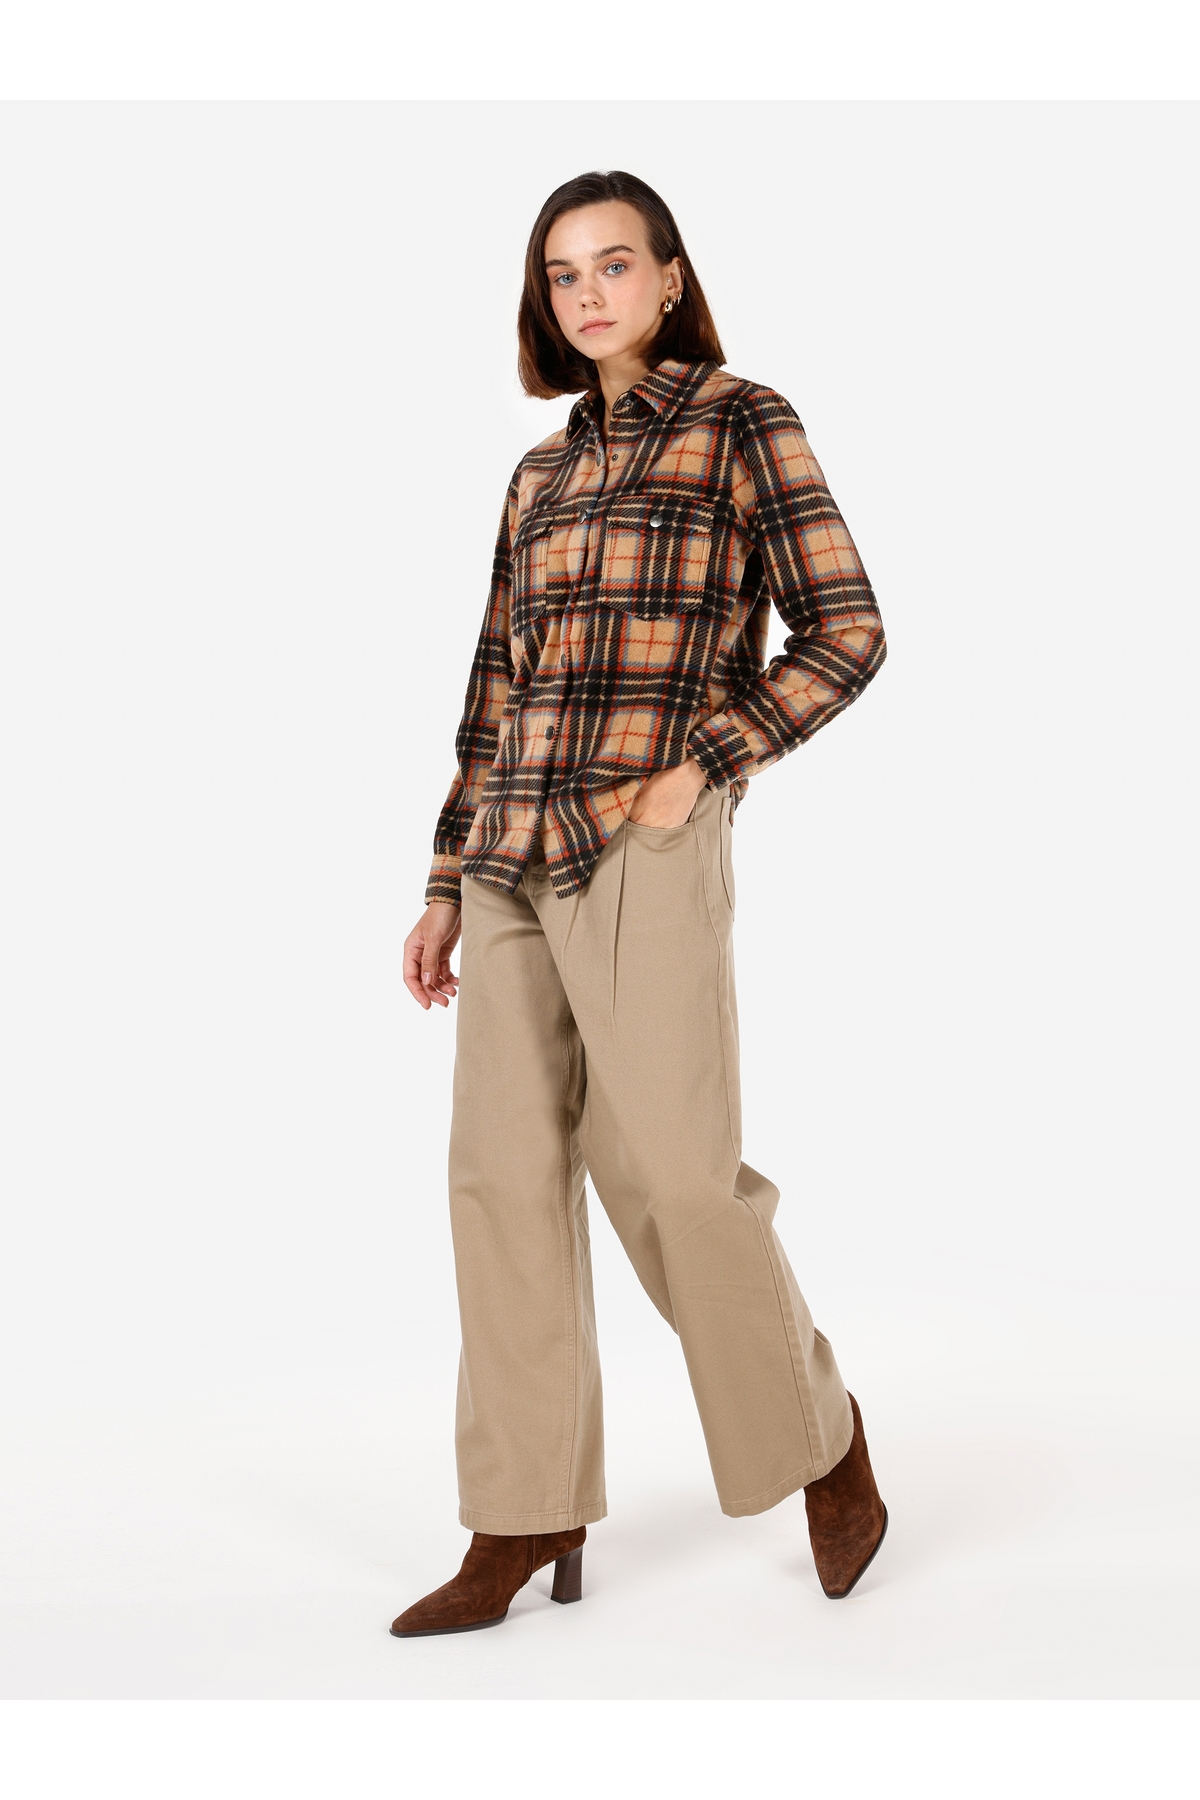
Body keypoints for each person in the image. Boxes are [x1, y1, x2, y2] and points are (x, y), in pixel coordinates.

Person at [391, 170, 888, 1639]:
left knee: (673, 1174)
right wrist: (442, 880)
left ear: (670, 278)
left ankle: (822, 1438)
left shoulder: (742, 422)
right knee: (498, 1182)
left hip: (643, 839)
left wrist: (702, 768)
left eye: (616, 264)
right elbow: (495, 688)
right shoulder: (537, 479)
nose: (589, 293)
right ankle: (523, 1506)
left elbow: (847, 630)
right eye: (564, 275)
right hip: (510, 856)